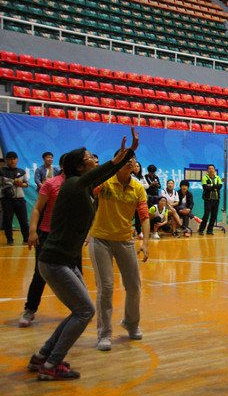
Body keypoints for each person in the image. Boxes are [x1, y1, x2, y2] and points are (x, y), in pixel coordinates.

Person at [28, 127, 138, 380]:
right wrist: (124, 155)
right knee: (84, 311)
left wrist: (128, 154)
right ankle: (51, 366)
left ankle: (43, 356)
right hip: (55, 261)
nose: (94, 159)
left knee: (79, 310)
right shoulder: (74, 185)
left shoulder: (83, 186)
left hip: (63, 260)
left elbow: (107, 171)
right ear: (79, 167)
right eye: (89, 157)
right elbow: (106, 169)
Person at [89, 151, 150, 352]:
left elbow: (144, 217)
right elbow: (88, 190)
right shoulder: (105, 182)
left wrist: (146, 243)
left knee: (134, 286)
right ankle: (104, 333)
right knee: (106, 287)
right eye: (125, 159)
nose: (130, 162)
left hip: (125, 241)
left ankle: (131, 323)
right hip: (101, 240)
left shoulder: (138, 188)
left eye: (132, 159)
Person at [19, 155, 74, 328]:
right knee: (40, 273)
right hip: (47, 235)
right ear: (65, 166)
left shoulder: (79, 185)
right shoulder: (51, 184)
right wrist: (32, 231)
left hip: (69, 237)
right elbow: (37, 208)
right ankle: (30, 309)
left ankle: (78, 309)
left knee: (75, 272)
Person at [1, 151, 30, 245]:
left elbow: (27, 184)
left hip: (20, 199)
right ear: (6, 160)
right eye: (10, 159)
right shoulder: (1, 171)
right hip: (6, 200)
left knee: (24, 220)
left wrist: (21, 184)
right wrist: (12, 182)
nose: (12, 161)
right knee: (8, 221)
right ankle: (10, 240)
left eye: (14, 159)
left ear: (17, 160)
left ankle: (26, 239)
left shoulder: (22, 171)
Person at [198, 165, 222, 236]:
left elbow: (220, 186)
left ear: (214, 170)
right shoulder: (205, 177)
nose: (211, 170)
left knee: (214, 216)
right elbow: (205, 187)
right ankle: (201, 229)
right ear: (207, 170)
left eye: (212, 168)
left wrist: (211, 186)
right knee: (206, 215)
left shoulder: (217, 177)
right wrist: (215, 186)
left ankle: (210, 230)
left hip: (216, 199)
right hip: (208, 200)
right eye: (209, 169)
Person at [131, 161, 149, 239]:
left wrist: (140, 185)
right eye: (135, 166)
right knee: (131, 216)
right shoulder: (130, 176)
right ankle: (130, 231)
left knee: (139, 216)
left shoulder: (142, 176)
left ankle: (139, 232)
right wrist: (142, 185)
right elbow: (134, 186)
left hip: (142, 198)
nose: (136, 168)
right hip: (133, 198)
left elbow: (147, 186)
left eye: (138, 166)